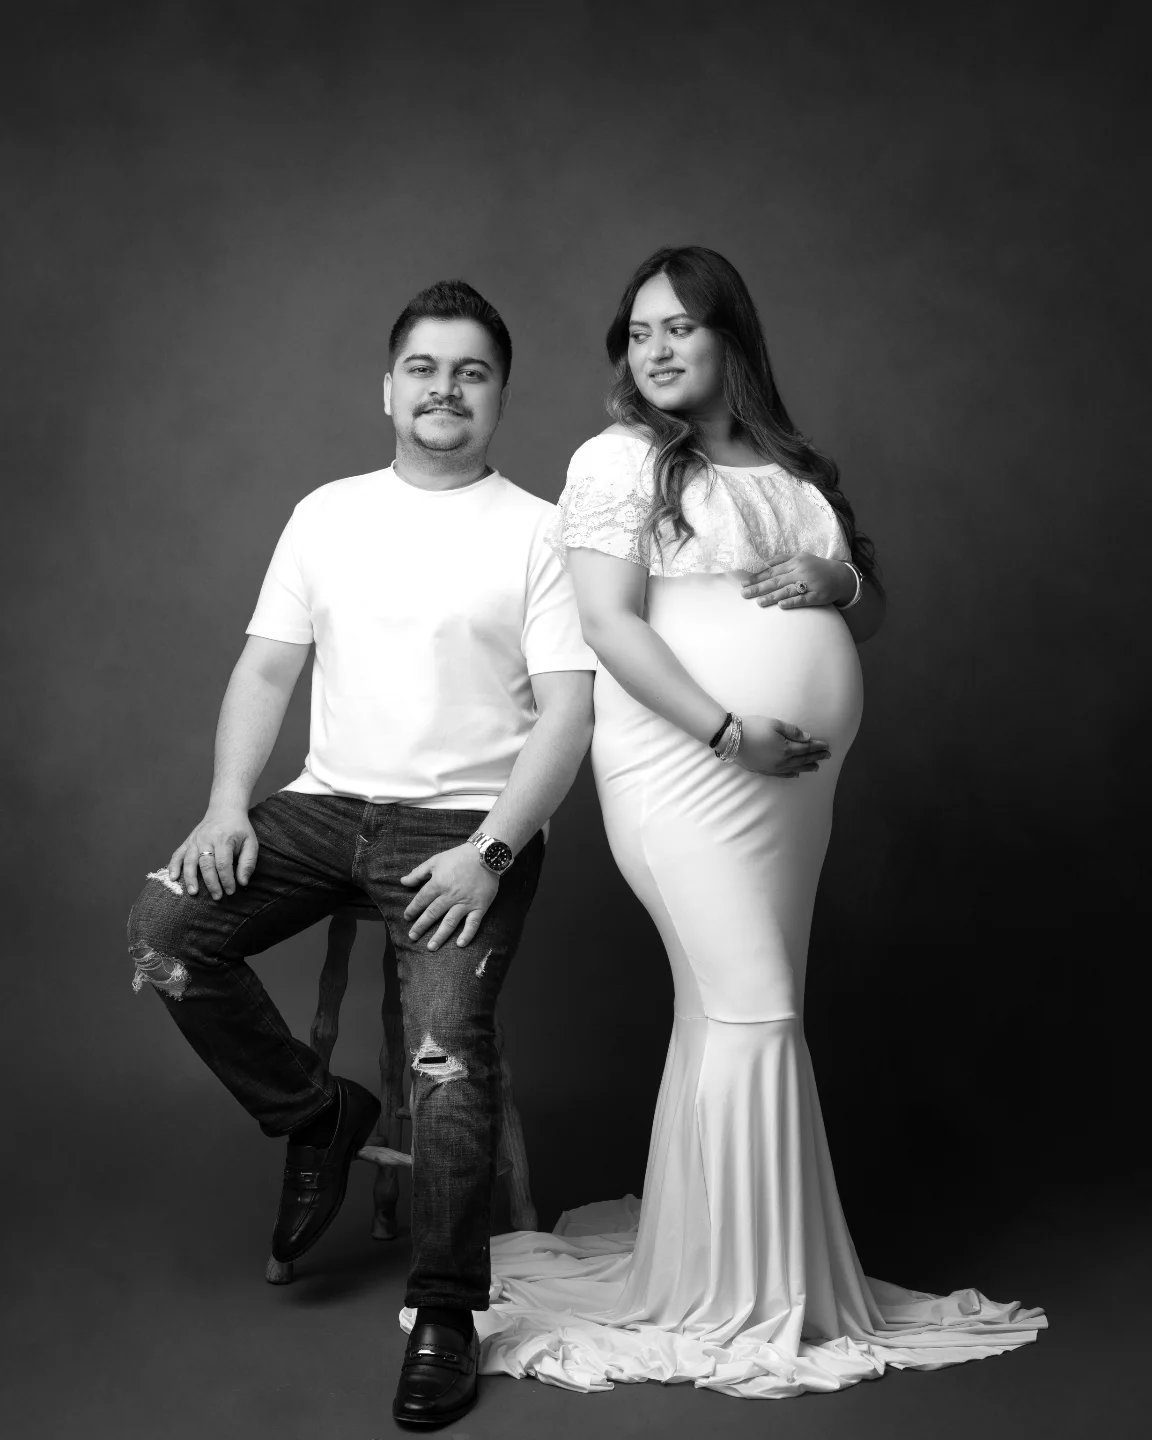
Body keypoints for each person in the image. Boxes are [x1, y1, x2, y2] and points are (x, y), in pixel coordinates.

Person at [475, 246, 1046, 1397]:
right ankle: (758, 1294)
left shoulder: (792, 471)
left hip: (793, 793)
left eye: (681, 326)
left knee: (727, 1008)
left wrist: (841, 588)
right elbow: (610, 625)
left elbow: (862, 610)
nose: (657, 349)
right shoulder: (620, 459)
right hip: (685, 765)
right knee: (756, 1007)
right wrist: (731, 731)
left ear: (731, 335)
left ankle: (716, 1263)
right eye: (639, 333)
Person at [126, 279, 596, 1428]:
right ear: (388, 388)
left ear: (499, 395)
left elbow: (569, 716)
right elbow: (265, 669)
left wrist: (491, 853)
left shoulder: (539, 529)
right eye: (424, 369)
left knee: (443, 1058)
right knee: (165, 934)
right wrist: (227, 806)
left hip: (467, 830)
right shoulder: (326, 513)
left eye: (472, 372)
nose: (446, 389)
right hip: (326, 809)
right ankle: (316, 1115)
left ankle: (445, 1313)